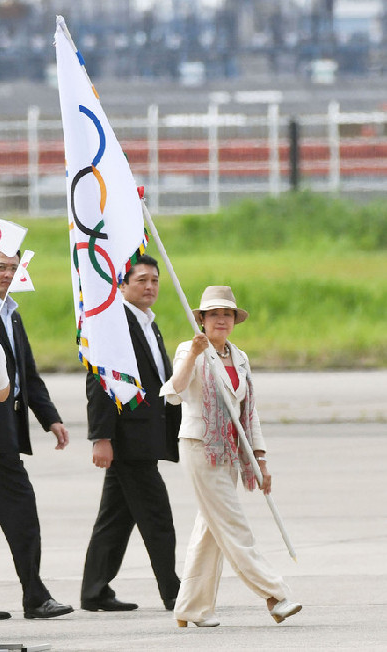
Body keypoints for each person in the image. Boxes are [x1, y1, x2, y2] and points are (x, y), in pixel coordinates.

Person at [160, 286, 301, 627]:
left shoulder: (239, 357)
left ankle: (191, 608)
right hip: (200, 447)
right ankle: (276, 594)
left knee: (210, 532)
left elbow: (247, 413)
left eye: (227, 314)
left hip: (231, 453)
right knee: (234, 526)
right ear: (202, 320)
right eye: (214, 314)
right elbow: (174, 392)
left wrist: (260, 460)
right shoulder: (189, 349)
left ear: (234, 320)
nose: (221, 320)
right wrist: (193, 355)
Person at [0, 247, 72, 620]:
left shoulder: (11, 313)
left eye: (13, 268)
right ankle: (35, 596)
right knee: (22, 514)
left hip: (8, 431)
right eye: (1, 268)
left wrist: (51, 419)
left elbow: (26, 373)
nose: (8, 274)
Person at [80, 255, 182, 612]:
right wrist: (101, 437)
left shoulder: (147, 323)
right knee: (158, 517)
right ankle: (174, 591)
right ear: (122, 285)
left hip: (145, 437)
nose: (150, 286)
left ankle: (94, 590)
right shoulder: (115, 324)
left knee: (115, 518)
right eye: (141, 280)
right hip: (128, 441)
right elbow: (100, 380)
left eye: (154, 280)